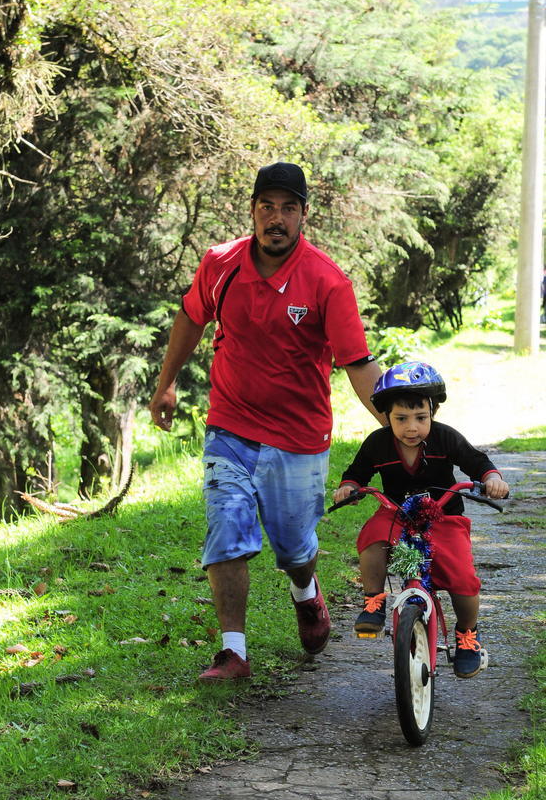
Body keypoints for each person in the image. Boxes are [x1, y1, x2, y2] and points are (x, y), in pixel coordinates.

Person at [149, 161, 383, 682]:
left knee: (294, 547)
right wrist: (166, 383)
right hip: (230, 425)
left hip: (299, 439)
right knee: (226, 530)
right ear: (252, 210)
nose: (276, 218)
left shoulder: (326, 281)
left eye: (288, 209)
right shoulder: (221, 263)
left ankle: (307, 592)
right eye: (267, 207)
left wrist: (397, 423)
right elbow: (191, 315)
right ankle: (233, 652)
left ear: (303, 216)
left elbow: (358, 364)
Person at [332, 361, 509, 679]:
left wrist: (492, 477)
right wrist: (349, 487)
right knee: (372, 538)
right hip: (396, 512)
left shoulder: (445, 438)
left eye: (420, 418)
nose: (411, 427)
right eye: (401, 419)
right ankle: (374, 600)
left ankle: (467, 634)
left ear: (433, 412)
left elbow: (476, 461)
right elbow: (357, 473)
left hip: (443, 515)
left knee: (463, 578)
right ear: (387, 416)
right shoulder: (378, 443)